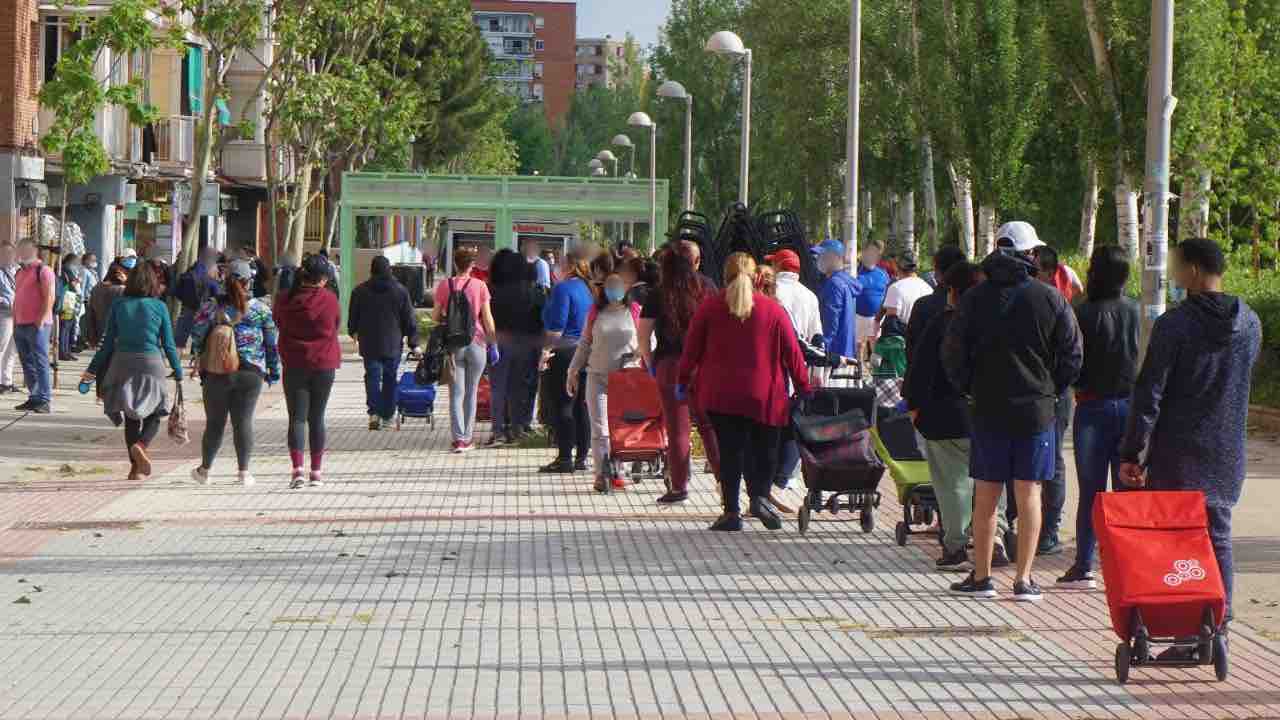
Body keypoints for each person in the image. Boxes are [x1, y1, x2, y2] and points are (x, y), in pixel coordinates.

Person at [1119, 238, 1262, 627]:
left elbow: (1150, 392)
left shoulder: (1175, 325)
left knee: (1176, 539)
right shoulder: (1249, 322)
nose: (1174, 274)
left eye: (1177, 266)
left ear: (1194, 271)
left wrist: (1132, 452)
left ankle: (1181, 622)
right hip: (1227, 449)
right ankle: (1220, 620)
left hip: (1177, 453)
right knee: (1218, 535)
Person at [942, 221, 1082, 602]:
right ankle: (1024, 580)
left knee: (986, 495)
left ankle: (983, 576)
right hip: (1036, 411)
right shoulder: (1050, 298)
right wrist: (1051, 389)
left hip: (987, 409)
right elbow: (1073, 354)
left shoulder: (974, 297)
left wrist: (970, 388)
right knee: (1029, 493)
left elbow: (952, 353)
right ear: (1030, 255)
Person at [678, 253, 810, 531]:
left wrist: (682, 381)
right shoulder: (773, 310)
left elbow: (691, 350)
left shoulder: (709, 307)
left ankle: (731, 512)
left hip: (721, 395)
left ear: (724, 276)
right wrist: (804, 387)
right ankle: (760, 497)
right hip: (766, 396)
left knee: (730, 452)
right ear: (758, 277)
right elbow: (793, 354)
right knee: (764, 451)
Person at [904, 261, 1012, 571]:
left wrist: (914, 409)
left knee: (953, 483)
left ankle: (956, 546)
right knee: (992, 480)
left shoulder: (943, 323)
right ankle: (995, 538)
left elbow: (920, 371)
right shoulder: (998, 322)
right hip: (992, 414)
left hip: (945, 417)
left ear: (952, 291)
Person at [1053, 246, 1140, 589]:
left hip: (1091, 407)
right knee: (1126, 490)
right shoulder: (1139, 311)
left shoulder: (1082, 312)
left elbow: (1070, 359)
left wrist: (1073, 384)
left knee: (1091, 491)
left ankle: (1083, 563)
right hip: (1131, 407)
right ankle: (1127, 560)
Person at [82, 260, 182, 480]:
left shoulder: (119, 305)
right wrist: (178, 370)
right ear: (153, 283)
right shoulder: (160, 306)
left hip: (123, 361)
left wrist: (91, 371)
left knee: (131, 415)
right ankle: (142, 444)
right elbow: (168, 344)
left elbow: (107, 343)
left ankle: (135, 468)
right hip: (151, 361)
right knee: (156, 410)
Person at [638, 246, 719, 503]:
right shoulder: (707, 288)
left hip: (670, 365)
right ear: (693, 262)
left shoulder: (658, 293)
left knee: (677, 429)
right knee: (709, 426)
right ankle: (723, 481)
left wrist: (649, 361)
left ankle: (679, 486)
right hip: (704, 366)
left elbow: (643, 335)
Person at [189, 260, 279, 487]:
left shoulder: (211, 307)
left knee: (215, 424)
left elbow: (197, 334)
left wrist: (198, 358)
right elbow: (271, 343)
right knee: (244, 421)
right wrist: (273, 370)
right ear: (249, 281)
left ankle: (205, 470)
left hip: (217, 370)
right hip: (251, 373)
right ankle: (243, 473)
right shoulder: (260, 309)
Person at [568, 267, 640, 492]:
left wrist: (640, 355)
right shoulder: (595, 313)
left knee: (622, 428)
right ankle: (601, 474)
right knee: (600, 428)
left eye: (617, 286)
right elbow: (585, 343)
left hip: (627, 379)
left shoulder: (635, 311)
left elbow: (649, 340)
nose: (613, 291)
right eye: (609, 287)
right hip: (597, 375)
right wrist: (572, 371)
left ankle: (618, 470)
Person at [275, 255, 342, 489]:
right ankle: (316, 472)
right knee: (317, 417)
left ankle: (297, 471)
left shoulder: (285, 299)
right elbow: (335, 325)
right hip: (324, 363)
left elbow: (278, 323)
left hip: (294, 363)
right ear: (322, 279)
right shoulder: (330, 300)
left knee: (297, 418)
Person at [765, 248, 823, 490]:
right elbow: (817, 336)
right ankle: (785, 475)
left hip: (772, 365)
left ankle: (769, 475)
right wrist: (817, 374)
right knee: (794, 420)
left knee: (772, 422)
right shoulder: (810, 296)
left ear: (778, 266)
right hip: (802, 363)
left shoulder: (770, 290)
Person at [433, 246, 498, 452]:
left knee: (456, 393)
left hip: (453, 344)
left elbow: (435, 317)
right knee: (471, 392)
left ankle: (458, 439)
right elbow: (487, 318)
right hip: (477, 341)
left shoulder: (445, 285)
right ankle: (468, 438)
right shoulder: (480, 286)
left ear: (454, 263)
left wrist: (448, 317)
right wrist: (493, 344)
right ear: (472, 265)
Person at [540, 250, 596, 473]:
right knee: (583, 406)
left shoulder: (563, 289)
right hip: (587, 351)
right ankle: (582, 457)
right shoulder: (589, 289)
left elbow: (557, 327)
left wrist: (545, 351)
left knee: (563, 404)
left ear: (570, 267)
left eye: (561, 264)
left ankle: (564, 458)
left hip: (565, 352)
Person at [348, 256, 419, 430]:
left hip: (369, 343)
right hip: (393, 343)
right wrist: (413, 342)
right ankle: (387, 414)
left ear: (371, 270)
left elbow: (352, 319)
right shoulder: (400, 291)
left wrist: (354, 333)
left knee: (372, 377)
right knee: (390, 378)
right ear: (390, 270)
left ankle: (374, 413)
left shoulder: (359, 291)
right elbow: (409, 319)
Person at [488, 249, 544, 444]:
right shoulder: (532, 291)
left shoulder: (493, 290)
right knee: (518, 387)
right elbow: (540, 319)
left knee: (498, 387)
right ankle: (517, 427)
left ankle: (497, 429)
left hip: (499, 343)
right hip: (525, 344)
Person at [12, 239, 56, 413]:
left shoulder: (43, 271)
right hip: (20, 324)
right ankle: (34, 396)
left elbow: (49, 297)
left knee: (40, 361)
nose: (21, 253)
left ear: (35, 251)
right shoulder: (20, 272)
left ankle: (44, 399)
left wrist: (41, 319)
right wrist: (16, 320)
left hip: (38, 325)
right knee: (27, 362)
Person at [904, 245, 967, 364]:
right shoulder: (974, 304)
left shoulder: (923, 306)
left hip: (927, 375)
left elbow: (912, 351)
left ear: (937, 272)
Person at [817, 239, 861, 361]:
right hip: (845, 351)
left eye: (822, 256)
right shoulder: (844, 281)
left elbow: (831, 320)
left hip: (834, 354)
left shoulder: (834, 284)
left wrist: (823, 348)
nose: (819, 259)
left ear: (834, 258)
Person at [175, 247, 221, 350]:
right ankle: (196, 359)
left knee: (180, 340)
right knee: (201, 339)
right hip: (205, 310)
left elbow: (177, 291)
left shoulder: (191, 269)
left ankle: (176, 361)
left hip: (187, 307)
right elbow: (217, 293)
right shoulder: (210, 270)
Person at [855, 241, 891, 363]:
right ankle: (858, 376)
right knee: (859, 346)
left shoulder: (883, 274)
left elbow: (888, 294)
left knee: (876, 348)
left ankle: (878, 377)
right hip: (857, 316)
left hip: (876, 318)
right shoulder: (855, 273)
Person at [880, 251, 932, 328]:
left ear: (897, 266)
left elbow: (890, 324)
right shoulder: (928, 289)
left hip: (902, 338)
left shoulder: (896, 288)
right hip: (922, 337)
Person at [84, 260, 128, 348]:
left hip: (99, 332)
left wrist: (91, 335)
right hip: (117, 334)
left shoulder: (96, 288)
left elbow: (90, 313)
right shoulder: (122, 290)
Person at [0, 242, 21, 394]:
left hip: (20, 314)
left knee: (13, 349)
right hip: (4, 313)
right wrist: (5, 301)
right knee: (1, 347)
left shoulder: (18, 270)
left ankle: (7, 381)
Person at [55, 253, 82, 361]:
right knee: (65, 328)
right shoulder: (66, 268)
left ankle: (66, 351)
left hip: (68, 300)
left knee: (68, 327)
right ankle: (63, 352)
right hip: (67, 301)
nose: (77, 264)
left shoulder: (64, 268)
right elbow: (73, 282)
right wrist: (77, 280)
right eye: (76, 261)